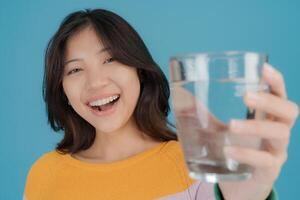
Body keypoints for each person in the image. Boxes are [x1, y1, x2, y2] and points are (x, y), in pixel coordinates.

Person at [23, 9, 299, 200]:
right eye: (74, 70)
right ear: (62, 91)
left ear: (139, 70)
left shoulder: (196, 165)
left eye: (110, 59)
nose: (95, 83)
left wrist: (248, 193)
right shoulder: (43, 174)